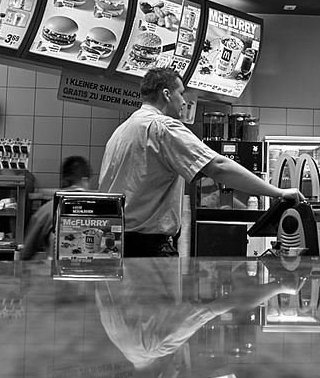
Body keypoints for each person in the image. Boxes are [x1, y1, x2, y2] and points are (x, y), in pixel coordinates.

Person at [99, 67, 304, 257]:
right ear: (166, 94)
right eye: (181, 94)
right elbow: (218, 167)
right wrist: (279, 193)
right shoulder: (163, 127)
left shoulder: (121, 131)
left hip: (115, 243)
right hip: (147, 248)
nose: (184, 102)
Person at [96, 259, 303, 378]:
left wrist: (281, 286)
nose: (176, 373)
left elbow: (227, 304)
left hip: (148, 237)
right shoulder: (121, 342)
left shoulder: (157, 345)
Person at [19, 155, 91, 261]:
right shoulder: (104, 208)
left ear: (64, 180)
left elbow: (26, 253)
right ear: (85, 180)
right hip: (96, 274)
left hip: (58, 274)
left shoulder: (48, 209)